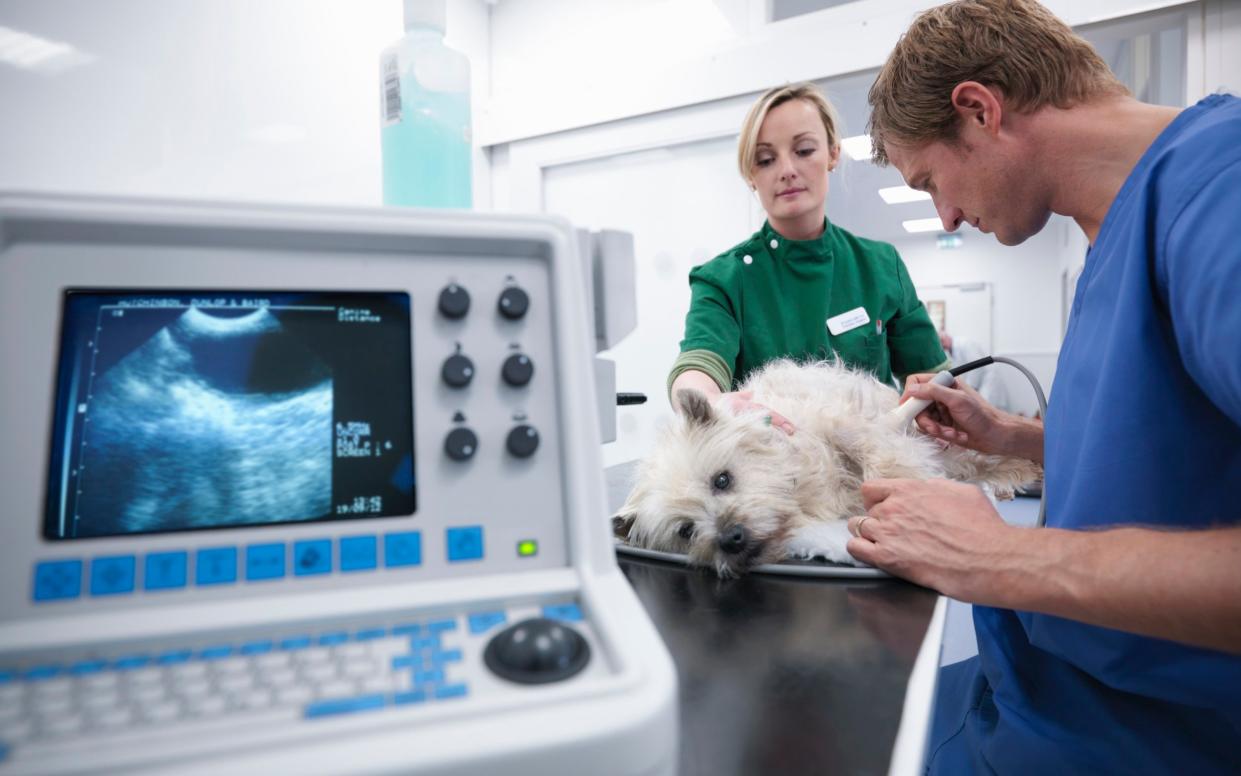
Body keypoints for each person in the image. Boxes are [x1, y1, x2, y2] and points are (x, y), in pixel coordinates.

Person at [846, 0, 1241, 772]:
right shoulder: (1115, 228)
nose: (948, 214)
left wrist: (1000, 560)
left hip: (1150, 732)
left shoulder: (1216, 198)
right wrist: (1016, 439)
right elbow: (1182, 458)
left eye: (932, 181)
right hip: (1053, 683)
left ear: (978, 110)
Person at [667, 82, 947, 433]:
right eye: (765, 159)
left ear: (832, 153)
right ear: (751, 176)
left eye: (803, 150)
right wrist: (710, 404)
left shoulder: (880, 266)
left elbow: (930, 377)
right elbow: (698, 364)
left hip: (875, 469)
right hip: (774, 476)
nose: (786, 169)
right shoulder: (724, 279)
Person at [938, 330, 1009, 410]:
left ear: (946, 337)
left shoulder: (965, 343)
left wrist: (968, 389)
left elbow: (977, 366)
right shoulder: (951, 351)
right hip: (980, 386)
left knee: (990, 411)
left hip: (987, 382)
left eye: (942, 341)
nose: (943, 345)